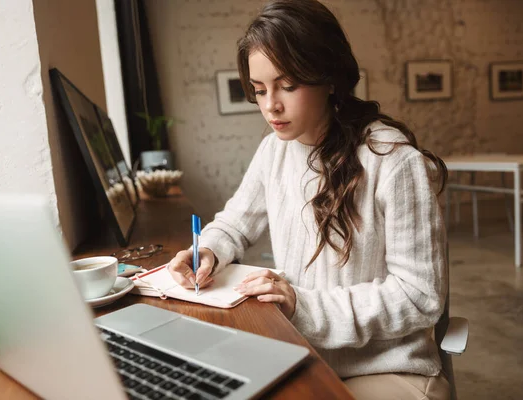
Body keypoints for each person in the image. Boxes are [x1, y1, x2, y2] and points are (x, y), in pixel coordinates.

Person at [167, 0, 450, 398]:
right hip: (300, 355)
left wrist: (302, 306)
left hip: (388, 368)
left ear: (329, 78)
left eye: (288, 86)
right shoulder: (274, 151)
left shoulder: (393, 160)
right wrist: (209, 250)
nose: (271, 106)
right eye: (260, 90)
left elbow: (420, 296)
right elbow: (235, 223)